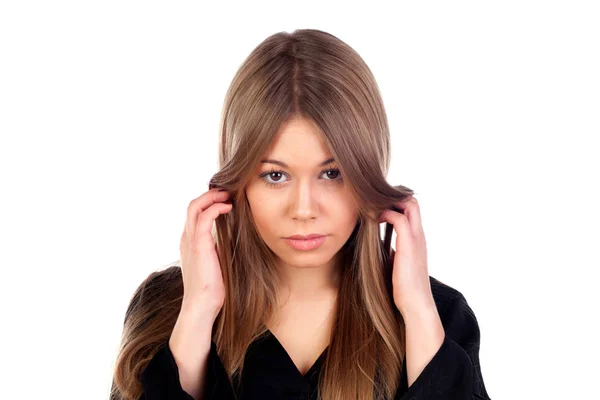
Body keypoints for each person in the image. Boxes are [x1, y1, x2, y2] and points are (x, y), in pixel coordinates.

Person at [110, 28, 491, 400]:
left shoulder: (438, 315)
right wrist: (198, 311)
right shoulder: (166, 308)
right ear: (238, 181)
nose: (304, 210)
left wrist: (417, 315)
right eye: (275, 176)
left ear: (365, 173)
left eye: (332, 173)